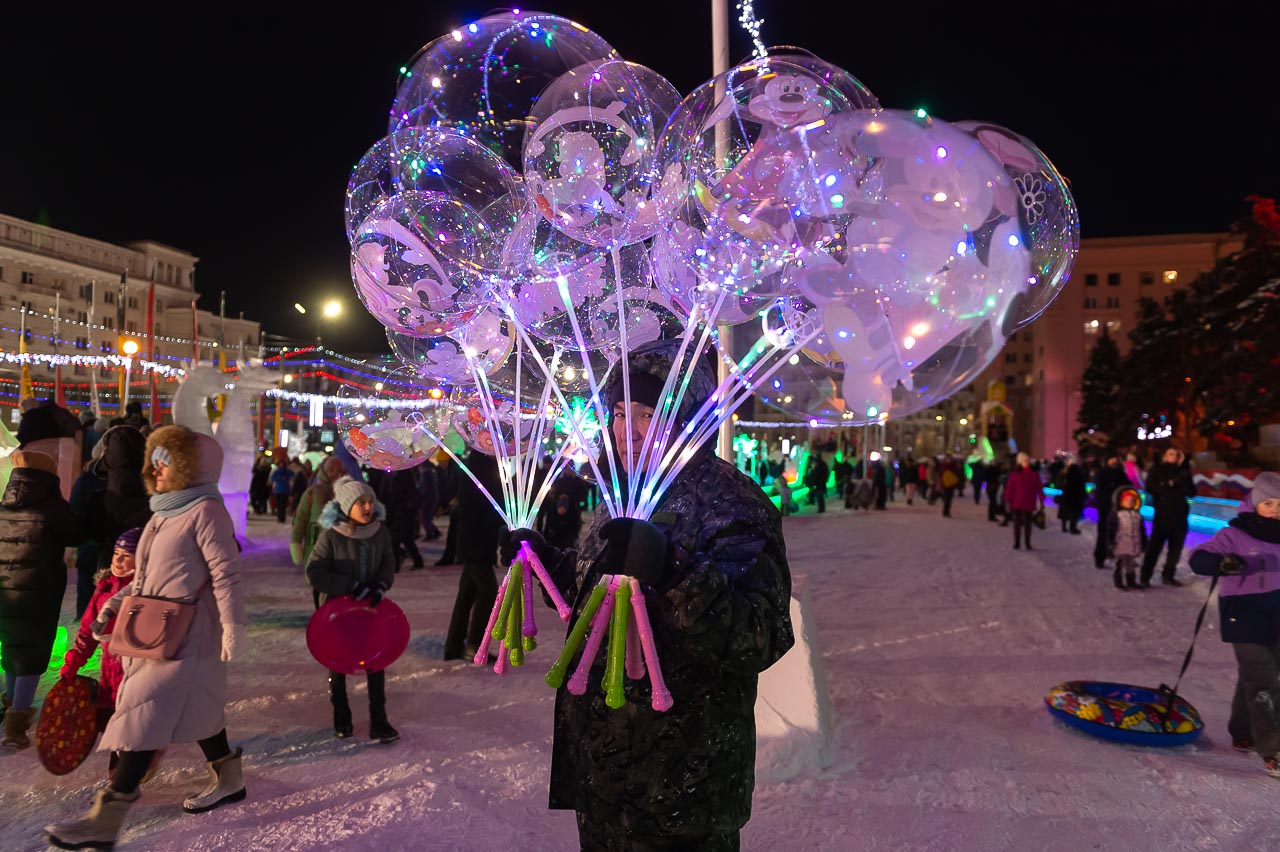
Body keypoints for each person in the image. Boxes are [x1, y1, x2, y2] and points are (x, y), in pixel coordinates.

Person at [500, 340, 793, 850]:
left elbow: (761, 634)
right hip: (603, 773)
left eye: (645, 412)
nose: (625, 429)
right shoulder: (624, 490)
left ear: (686, 415)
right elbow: (601, 594)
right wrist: (549, 564)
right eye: (617, 412)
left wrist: (674, 570)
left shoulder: (732, 501)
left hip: (682, 789)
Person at [44, 425, 247, 849]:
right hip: (154, 625)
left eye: (165, 464)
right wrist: (115, 604)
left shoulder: (206, 511)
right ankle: (229, 777)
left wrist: (232, 626)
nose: (155, 472)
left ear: (190, 469)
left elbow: (226, 573)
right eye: (153, 463)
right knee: (197, 709)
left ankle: (107, 817)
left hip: (191, 632)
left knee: (143, 711)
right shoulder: (163, 512)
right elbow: (148, 576)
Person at [1187, 472, 1280, 775]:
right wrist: (1221, 563)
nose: (1275, 509)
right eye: (1269, 503)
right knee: (1264, 682)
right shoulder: (1235, 534)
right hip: (1245, 616)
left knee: (1255, 678)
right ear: (1254, 504)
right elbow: (1198, 557)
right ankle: (1272, 748)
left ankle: (1243, 732)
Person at [0, 451, 85, 749]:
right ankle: (16, 724)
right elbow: (77, 534)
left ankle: (11, 706)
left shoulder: (3, 507)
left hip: (5, 592)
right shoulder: (52, 508)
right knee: (33, 655)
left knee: (13, 649)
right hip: (40, 590)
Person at [305, 477, 399, 743]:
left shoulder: (379, 531)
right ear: (347, 506)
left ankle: (379, 721)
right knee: (339, 664)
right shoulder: (332, 536)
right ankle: (341, 716)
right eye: (361, 503)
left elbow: (388, 560)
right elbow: (315, 572)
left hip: (370, 609)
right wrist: (349, 586)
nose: (368, 507)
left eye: (370, 501)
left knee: (375, 662)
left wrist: (382, 583)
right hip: (337, 613)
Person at [60, 529, 143, 746]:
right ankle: (121, 771)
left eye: (126, 556)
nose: (118, 560)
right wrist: (74, 661)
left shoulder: (147, 592)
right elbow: (88, 630)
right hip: (110, 672)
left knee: (132, 727)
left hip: (138, 673)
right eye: (116, 553)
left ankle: (132, 766)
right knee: (109, 724)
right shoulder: (105, 588)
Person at [442, 448, 505, 661]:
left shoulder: (477, 466)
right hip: (478, 543)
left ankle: (454, 646)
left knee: (467, 594)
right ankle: (475, 645)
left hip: (474, 543)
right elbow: (487, 507)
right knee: (487, 594)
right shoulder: (482, 468)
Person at [291, 457, 348, 594]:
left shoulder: (348, 492)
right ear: (324, 471)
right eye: (331, 470)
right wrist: (296, 542)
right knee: (318, 582)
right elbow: (300, 519)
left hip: (342, 547)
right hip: (315, 544)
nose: (335, 474)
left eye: (339, 470)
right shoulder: (313, 492)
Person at [1140, 447, 1195, 587]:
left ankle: (1168, 575)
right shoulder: (1157, 469)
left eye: (1177, 454)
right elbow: (1150, 488)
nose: (1174, 457)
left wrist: (1184, 478)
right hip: (1163, 515)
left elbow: (1192, 492)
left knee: (1175, 549)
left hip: (1180, 515)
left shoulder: (1183, 471)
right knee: (1154, 548)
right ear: (1164, 456)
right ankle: (1145, 576)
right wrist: (1168, 484)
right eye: (1171, 454)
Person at [1091, 453, 1131, 569]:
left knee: (1119, 533)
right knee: (1103, 533)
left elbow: (1127, 485)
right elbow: (1103, 490)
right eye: (1111, 459)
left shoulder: (1120, 473)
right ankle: (1100, 557)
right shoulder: (1102, 473)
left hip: (1119, 508)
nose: (1114, 461)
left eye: (1115, 459)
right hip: (1106, 507)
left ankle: (1119, 556)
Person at [383, 467, 424, 571]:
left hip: (399, 514)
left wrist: (389, 514)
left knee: (395, 541)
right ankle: (417, 560)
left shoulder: (398, 479)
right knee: (406, 540)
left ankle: (396, 564)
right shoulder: (411, 478)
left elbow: (393, 498)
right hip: (407, 514)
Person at [1106, 488, 1146, 591]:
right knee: (1120, 564)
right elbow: (1110, 529)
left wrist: (1144, 543)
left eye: (1132, 501)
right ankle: (1118, 582)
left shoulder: (1137, 516)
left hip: (1133, 544)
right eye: (1127, 501)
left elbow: (1142, 531)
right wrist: (1110, 542)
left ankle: (1131, 581)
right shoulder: (1117, 515)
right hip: (1120, 544)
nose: (1130, 503)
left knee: (1130, 564)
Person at [1004, 452, 1043, 550]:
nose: (1026, 462)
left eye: (1027, 460)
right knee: (1017, 523)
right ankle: (1017, 542)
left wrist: (1042, 500)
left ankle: (1027, 542)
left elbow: (1039, 488)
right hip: (1017, 502)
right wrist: (1008, 501)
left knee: (1028, 524)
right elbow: (1010, 489)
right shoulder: (1015, 475)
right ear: (1020, 462)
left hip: (1029, 502)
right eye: (1024, 461)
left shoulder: (1033, 475)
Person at [1056, 456, 1087, 534]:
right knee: (1074, 512)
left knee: (1065, 511)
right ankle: (1072, 528)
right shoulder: (1079, 473)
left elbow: (1059, 483)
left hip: (1066, 495)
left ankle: (1064, 527)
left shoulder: (1065, 472)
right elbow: (1082, 485)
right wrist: (1083, 495)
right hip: (1075, 496)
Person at [417, 459, 440, 541]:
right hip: (431, 498)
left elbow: (425, 488)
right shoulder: (431, 472)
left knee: (424, 517)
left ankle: (432, 532)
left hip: (427, 499)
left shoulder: (426, 474)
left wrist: (419, 492)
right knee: (426, 517)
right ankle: (433, 531)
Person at [269, 457, 295, 523]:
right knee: (279, 504)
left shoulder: (287, 471)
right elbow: (273, 478)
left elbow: (293, 475)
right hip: (278, 490)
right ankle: (280, 517)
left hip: (285, 490)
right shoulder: (277, 471)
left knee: (283, 505)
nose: (281, 465)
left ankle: (282, 517)